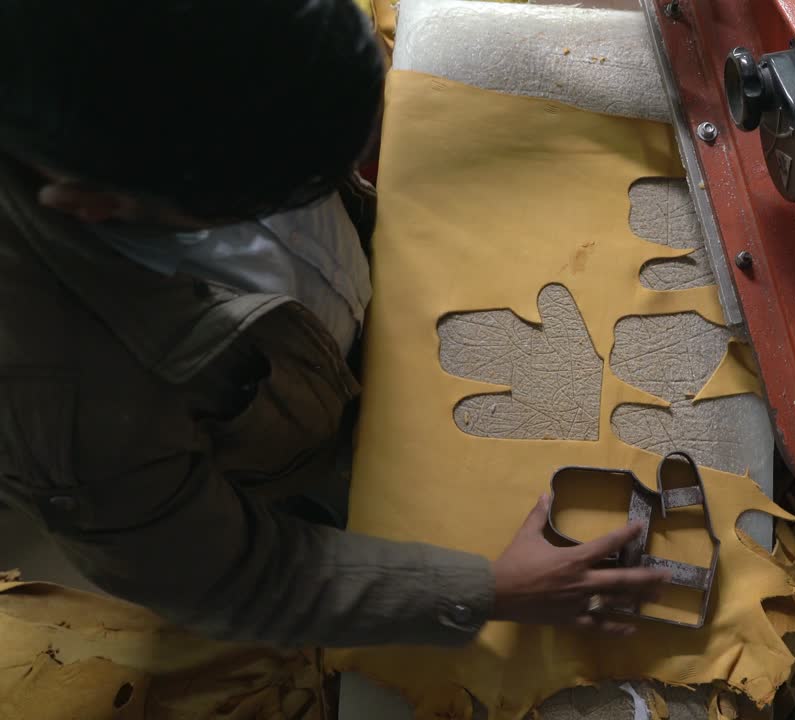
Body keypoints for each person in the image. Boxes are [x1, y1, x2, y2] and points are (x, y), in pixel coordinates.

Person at [0, 0, 666, 647]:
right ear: (91, 204)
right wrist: (493, 589)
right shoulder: (73, 403)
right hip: (266, 444)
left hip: (321, 330)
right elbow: (231, 578)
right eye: (273, 198)